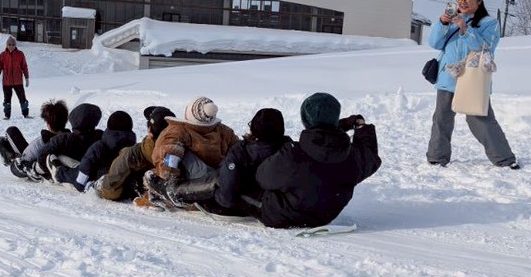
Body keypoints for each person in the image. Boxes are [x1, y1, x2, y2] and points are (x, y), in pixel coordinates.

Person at [426, 0, 520, 169]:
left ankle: (504, 159)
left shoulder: (489, 23)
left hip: (472, 79)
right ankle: (437, 157)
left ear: (479, 1)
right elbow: (434, 43)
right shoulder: (451, 20)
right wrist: (442, 23)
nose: (463, 2)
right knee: (441, 119)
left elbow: (484, 48)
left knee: (480, 120)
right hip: (447, 76)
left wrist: (465, 29)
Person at [257, 92, 381, 229]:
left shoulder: (291, 154)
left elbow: (262, 178)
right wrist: (359, 126)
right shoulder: (352, 157)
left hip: (283, 217)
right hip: (325, 217)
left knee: (245, 194)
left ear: (305, 119)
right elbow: (370, 156)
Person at [144, 97, 238, 207]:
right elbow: (239, 149)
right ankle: (172, 189)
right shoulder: (223, 131)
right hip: (216, 175)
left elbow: (170, 154)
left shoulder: (179, 130)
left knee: (180, 152)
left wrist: (168, 176)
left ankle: (172, 189)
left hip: (203, 179)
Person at [206, 107, 291, 215]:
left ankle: (180, 191)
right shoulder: (291, 150)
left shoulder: (241, 152)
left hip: (246, 204)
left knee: (210, 180)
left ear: (254, 128)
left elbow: (226, 197)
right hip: (279, 204)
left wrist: (213, 199)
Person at [98, 106, 175, 202]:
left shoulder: (133, 154)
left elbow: (110, 189)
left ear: (149, 131)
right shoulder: (185, 150)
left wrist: (127, 189)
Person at [10, 102, 101, 180]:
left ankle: (10, 156)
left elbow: (31, 160)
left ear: (48, 123)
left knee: (11, 132)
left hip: (37, 163)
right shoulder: (96, 137)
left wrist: (34, 168)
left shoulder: (50, 141)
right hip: (75, 165)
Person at [68, 110, 136, 191]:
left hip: (100, 180)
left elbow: (86, 164)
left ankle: (58, 171)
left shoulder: (100, 146)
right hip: (124, 183)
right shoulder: (133, 148)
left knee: (71, 172)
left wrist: (80, 184)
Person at [0, 35, 30, 120]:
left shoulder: (20, 54)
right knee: (7, 100)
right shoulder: (2, 55)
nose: (11, 46)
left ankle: (25, 114)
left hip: (18, 82)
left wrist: (27, 78)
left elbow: (24, 66)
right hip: (7, 82)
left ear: (15, 45)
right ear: (6, 45)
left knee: (22, 98)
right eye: (9, 44)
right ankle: (7, 115)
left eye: (13, 44)